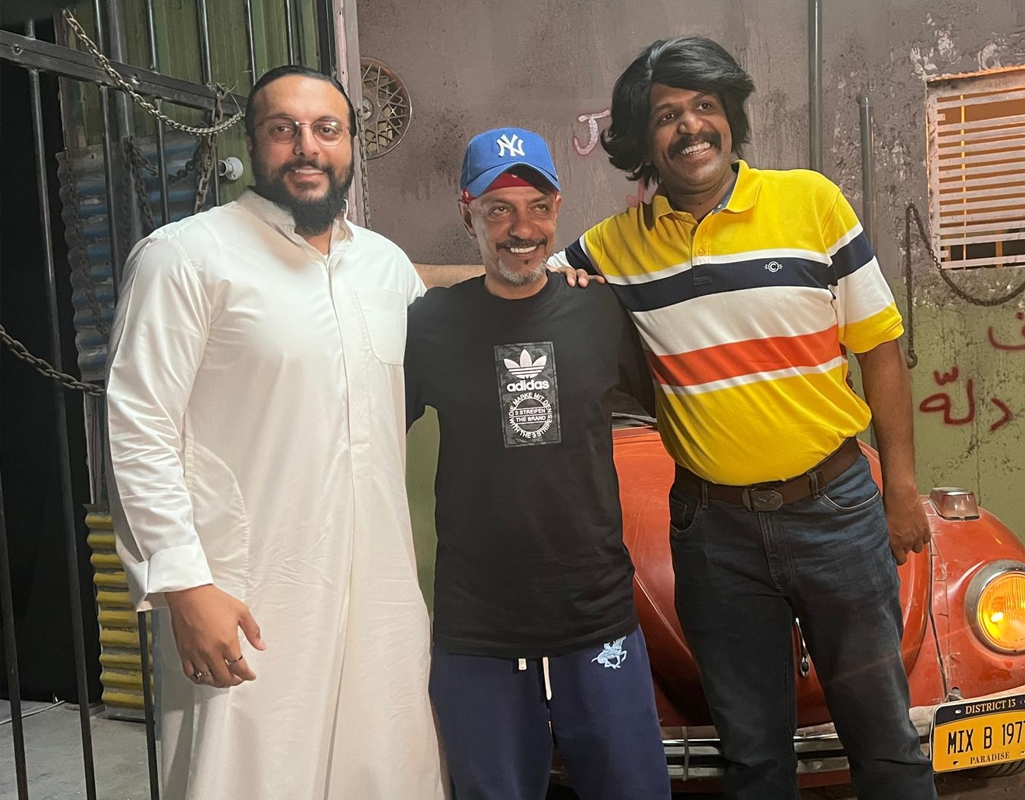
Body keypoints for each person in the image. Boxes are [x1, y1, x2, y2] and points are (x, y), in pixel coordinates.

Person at [551, 36, 938, 800]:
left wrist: (900, 489)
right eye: (667, 115)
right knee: (753, 758)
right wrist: (404, 280)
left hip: (836, 513)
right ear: (643, 141)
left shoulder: (811, 203)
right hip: (714, 535)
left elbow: (881, 351)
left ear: (730, 116)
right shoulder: (617, 246)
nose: (690, 126)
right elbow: (528, 277)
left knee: (885, 742)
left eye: (705, 105)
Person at [106, 65, 447, 800]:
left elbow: (465, 330)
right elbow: (139, 428)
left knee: (387, 771)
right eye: (283, 129)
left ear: (351, 145)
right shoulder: (184, 257)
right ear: (253, 144)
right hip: (246, 594)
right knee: (248, 777)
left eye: (326, 129)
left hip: (379, 593)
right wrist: (183, 583)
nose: (306, 146)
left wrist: (557, 278)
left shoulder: (385, 267)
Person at [405, 127, 670, 800]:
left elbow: (670, 409)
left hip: (595, 615)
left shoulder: (600, 309)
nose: (521, 229)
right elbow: (362, 434)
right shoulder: (431, 324)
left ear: (557, 209)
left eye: (537, 207)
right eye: (498, 209)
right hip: (478, 628)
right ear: (466, 211)